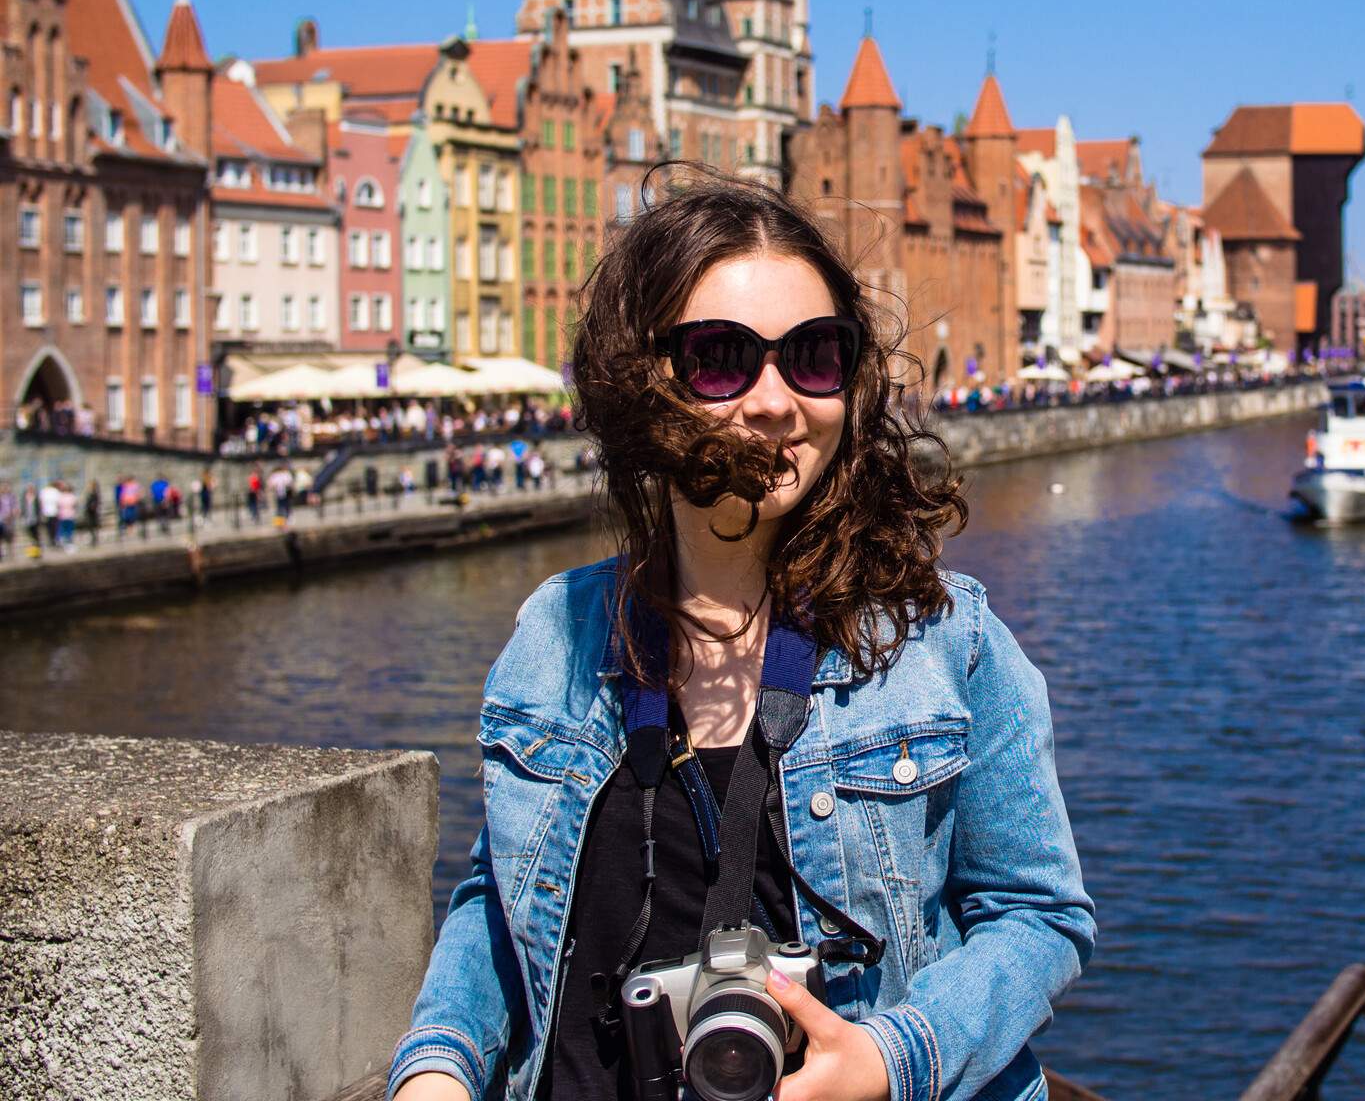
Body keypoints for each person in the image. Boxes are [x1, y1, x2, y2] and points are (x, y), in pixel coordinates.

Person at [389, 177, 1093, 1101]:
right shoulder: (555, 634)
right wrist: (436, 1067)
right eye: (721, 358)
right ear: (639, 381)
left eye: (813, 355)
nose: (774, 401)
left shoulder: (945, 640)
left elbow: (1038, 918)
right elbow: (503, 900)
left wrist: (890, 1059)